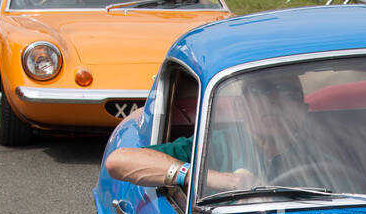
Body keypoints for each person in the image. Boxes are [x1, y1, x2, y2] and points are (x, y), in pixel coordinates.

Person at [105, 70, 313, 193]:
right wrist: (212, 178)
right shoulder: (215, 145)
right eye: (261, 92)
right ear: (240, 107)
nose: (273, 103)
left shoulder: (316, 150)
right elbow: (119, 161)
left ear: (302, 111)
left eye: (288, 94)